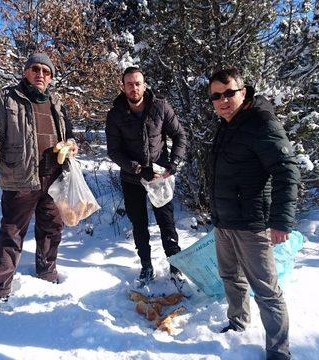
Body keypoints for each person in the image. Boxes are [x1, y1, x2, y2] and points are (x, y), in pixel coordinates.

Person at [208, 68, 300, 360]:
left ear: (243, 92)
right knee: (230, 277)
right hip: (225, 220)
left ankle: (278, 351)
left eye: (229, 93)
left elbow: (287, 170)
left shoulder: (261, 123)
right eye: (216, 95)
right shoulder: (228, 124)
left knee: (266, 290)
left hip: (251, 224)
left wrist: (281, 220)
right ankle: (237, 322)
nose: (223, 100)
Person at [0, 53, 77, 302]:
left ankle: (47, 271)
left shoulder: (55, 101)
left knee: (52, 227)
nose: (40, 74)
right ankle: (0, 288)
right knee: (12, 232)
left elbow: (69, 132)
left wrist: (71, 143)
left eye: (46, 71)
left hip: (53, 176)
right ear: (26, 72)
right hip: (21, 177)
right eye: (35, 69)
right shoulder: (8, 97)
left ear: (51, 78)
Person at [105, 66, 187, 284]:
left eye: (138, 83)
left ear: (144, 84)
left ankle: (175, 265)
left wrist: (174, 163)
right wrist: (135, 167)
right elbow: (113, 150)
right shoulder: (115, 114)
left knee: (166, 222)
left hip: (159, 177)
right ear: (122, 87)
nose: (134, 88)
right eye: (129, 84)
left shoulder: (160, 107)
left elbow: (179, 135)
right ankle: (146, 266)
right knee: (139, 224)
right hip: (132, 178)